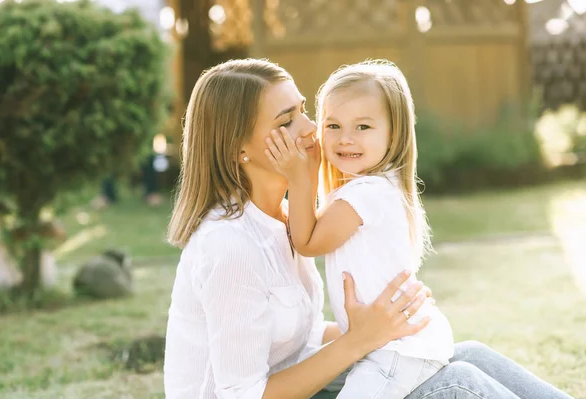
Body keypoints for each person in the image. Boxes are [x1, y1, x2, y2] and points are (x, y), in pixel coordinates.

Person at [163, 58, 572, 399]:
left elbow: (294, 341)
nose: (310, 128)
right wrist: (359, 339)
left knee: (467, 356)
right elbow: (242, 394)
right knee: (454, 386)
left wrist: (382, 322)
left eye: (304, 110)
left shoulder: (285, 219)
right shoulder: (230, 246)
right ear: (239, 149)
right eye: (287, 121)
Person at [264, 60, 452, 399]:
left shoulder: (367, 194)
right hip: (392, 343)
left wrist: (299, 176)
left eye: (363, 127)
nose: (345, 139)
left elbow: (307, 241)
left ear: (393, 132)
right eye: (333, 125)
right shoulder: (370, 188)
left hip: (399, 350)